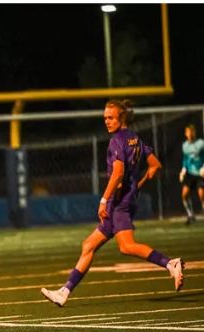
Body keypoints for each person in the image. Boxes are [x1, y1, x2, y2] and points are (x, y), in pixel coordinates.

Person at [41, 99, 185, 307]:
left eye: (110, 118)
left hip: (118, 203)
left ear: (121, 118)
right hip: (123, 201)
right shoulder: (135, 139)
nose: (106, 122)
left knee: (126, 246)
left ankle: (170, 263)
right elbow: (155, 165)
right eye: (105, 118)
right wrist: (138, 185)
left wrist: (103, 200)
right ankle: (64, 292)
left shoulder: (116, 141)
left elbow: (118, 173)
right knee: (88, 245)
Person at [179, 124, 204, 224]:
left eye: (191, 132)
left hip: (200, 173)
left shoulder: (201, 143)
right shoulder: (185, 145)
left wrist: (203, 167)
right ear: (186, 134)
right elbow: (185, 159)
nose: (190, 134)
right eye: (188, 132)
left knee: (201, 195)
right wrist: (183, 170)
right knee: (184, 195)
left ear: (194, 133)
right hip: (190, 173)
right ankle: (190, 215)